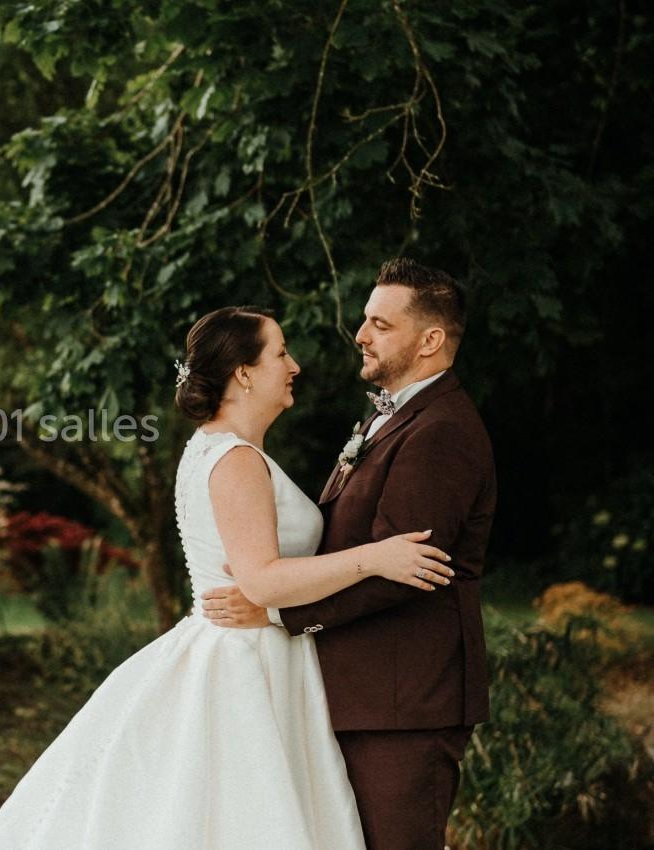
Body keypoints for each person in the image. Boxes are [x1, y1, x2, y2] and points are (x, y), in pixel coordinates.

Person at [0, 303, 455, 850]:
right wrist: (374, 558)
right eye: (280, 353)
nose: (293, 366)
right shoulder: (235, 460)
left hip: (251, 646)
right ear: (244, 373)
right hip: (248, 663)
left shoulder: (212, 448)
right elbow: (262, 582)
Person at [201, 258, 495, 850]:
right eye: (365, 320)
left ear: (430, 340)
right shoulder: (388, 418)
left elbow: (404, 570)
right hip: (361, 694)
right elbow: (356, 547)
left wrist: (277, 611)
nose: (360, 335)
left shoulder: (441, 431)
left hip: (403, 703)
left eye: (381, 325)